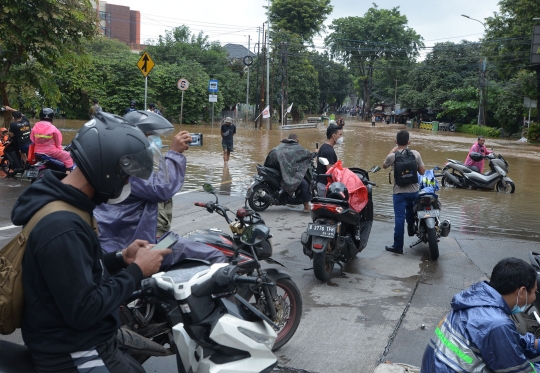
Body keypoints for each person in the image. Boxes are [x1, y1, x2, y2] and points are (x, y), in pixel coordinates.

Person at [12, 112, 172, 372]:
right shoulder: (62, 227)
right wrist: (137, 271)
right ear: (106, 170)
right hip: (75, 351)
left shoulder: (70, 206)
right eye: (125, 176)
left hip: (88, 341)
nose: (127, 183)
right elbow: (84, 309)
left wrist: (121, 258)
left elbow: (75, 271)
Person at [94, 110, 227, 268]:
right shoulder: (126, 166)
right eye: (150, 136)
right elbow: (162, 188)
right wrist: (174, 153)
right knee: (216, 255)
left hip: (133, 236)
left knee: (180, 241)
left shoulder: (119, 160)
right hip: (131, 243)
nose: (154, 140)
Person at [421, 257, 540, 372]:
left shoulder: (476, 300)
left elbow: (507, 341)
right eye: (534, 292)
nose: (534, 296)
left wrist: (536, 345)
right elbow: (518, 370)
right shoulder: (497, 323)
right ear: (522, 292)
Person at [382, 130, 425, 254]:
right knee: (411, 211)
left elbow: (384, 166)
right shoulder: (416, 154)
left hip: (399, 192)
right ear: (409, 142)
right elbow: (422, 172)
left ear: (396, 141)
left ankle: (398, 247)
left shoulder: (392, 156)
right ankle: (411, 229)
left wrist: (392, 151)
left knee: (399, 219)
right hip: (414, 191)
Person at [264, 133, 315, 213]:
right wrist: (315, 153)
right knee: (305, 184)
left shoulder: (281, 146)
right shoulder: (296, 148)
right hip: (287, 174)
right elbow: (306, 154)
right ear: (297, 140)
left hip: (277, 171)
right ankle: (306, 206)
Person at [316, 124, 343, 197]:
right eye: (340, 135)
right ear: (334, 136)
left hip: (320, 183)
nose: (341, 137)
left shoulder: (323, 146)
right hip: (324, 186)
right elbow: (330, 173)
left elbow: (317, 161)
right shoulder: (329, 151)